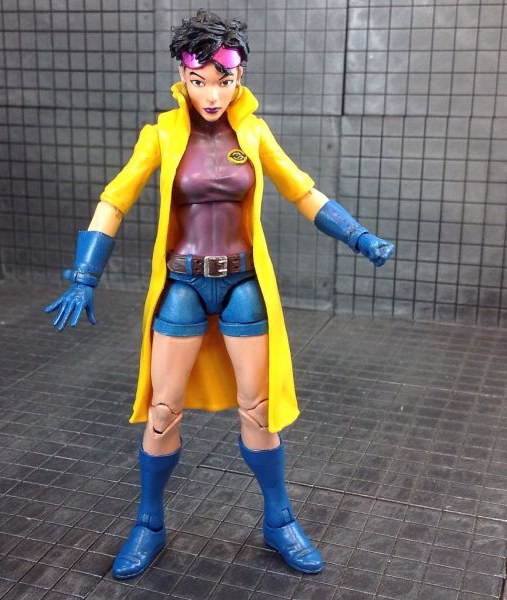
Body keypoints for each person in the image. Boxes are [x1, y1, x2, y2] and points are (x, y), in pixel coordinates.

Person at [46, 9, 394, 580]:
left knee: (259, 410)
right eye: (199, 80)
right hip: (183, 283)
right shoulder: (162, 135)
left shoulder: (253, 133)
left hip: (242, 284)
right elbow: (115, 198)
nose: (211, 94)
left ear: (239, 77)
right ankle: (149, 524)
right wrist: (85, 276)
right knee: (163, 411)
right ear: (182, 77)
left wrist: (358, 236)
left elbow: (303, 191)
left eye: (223, 80)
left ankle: (279, 520)